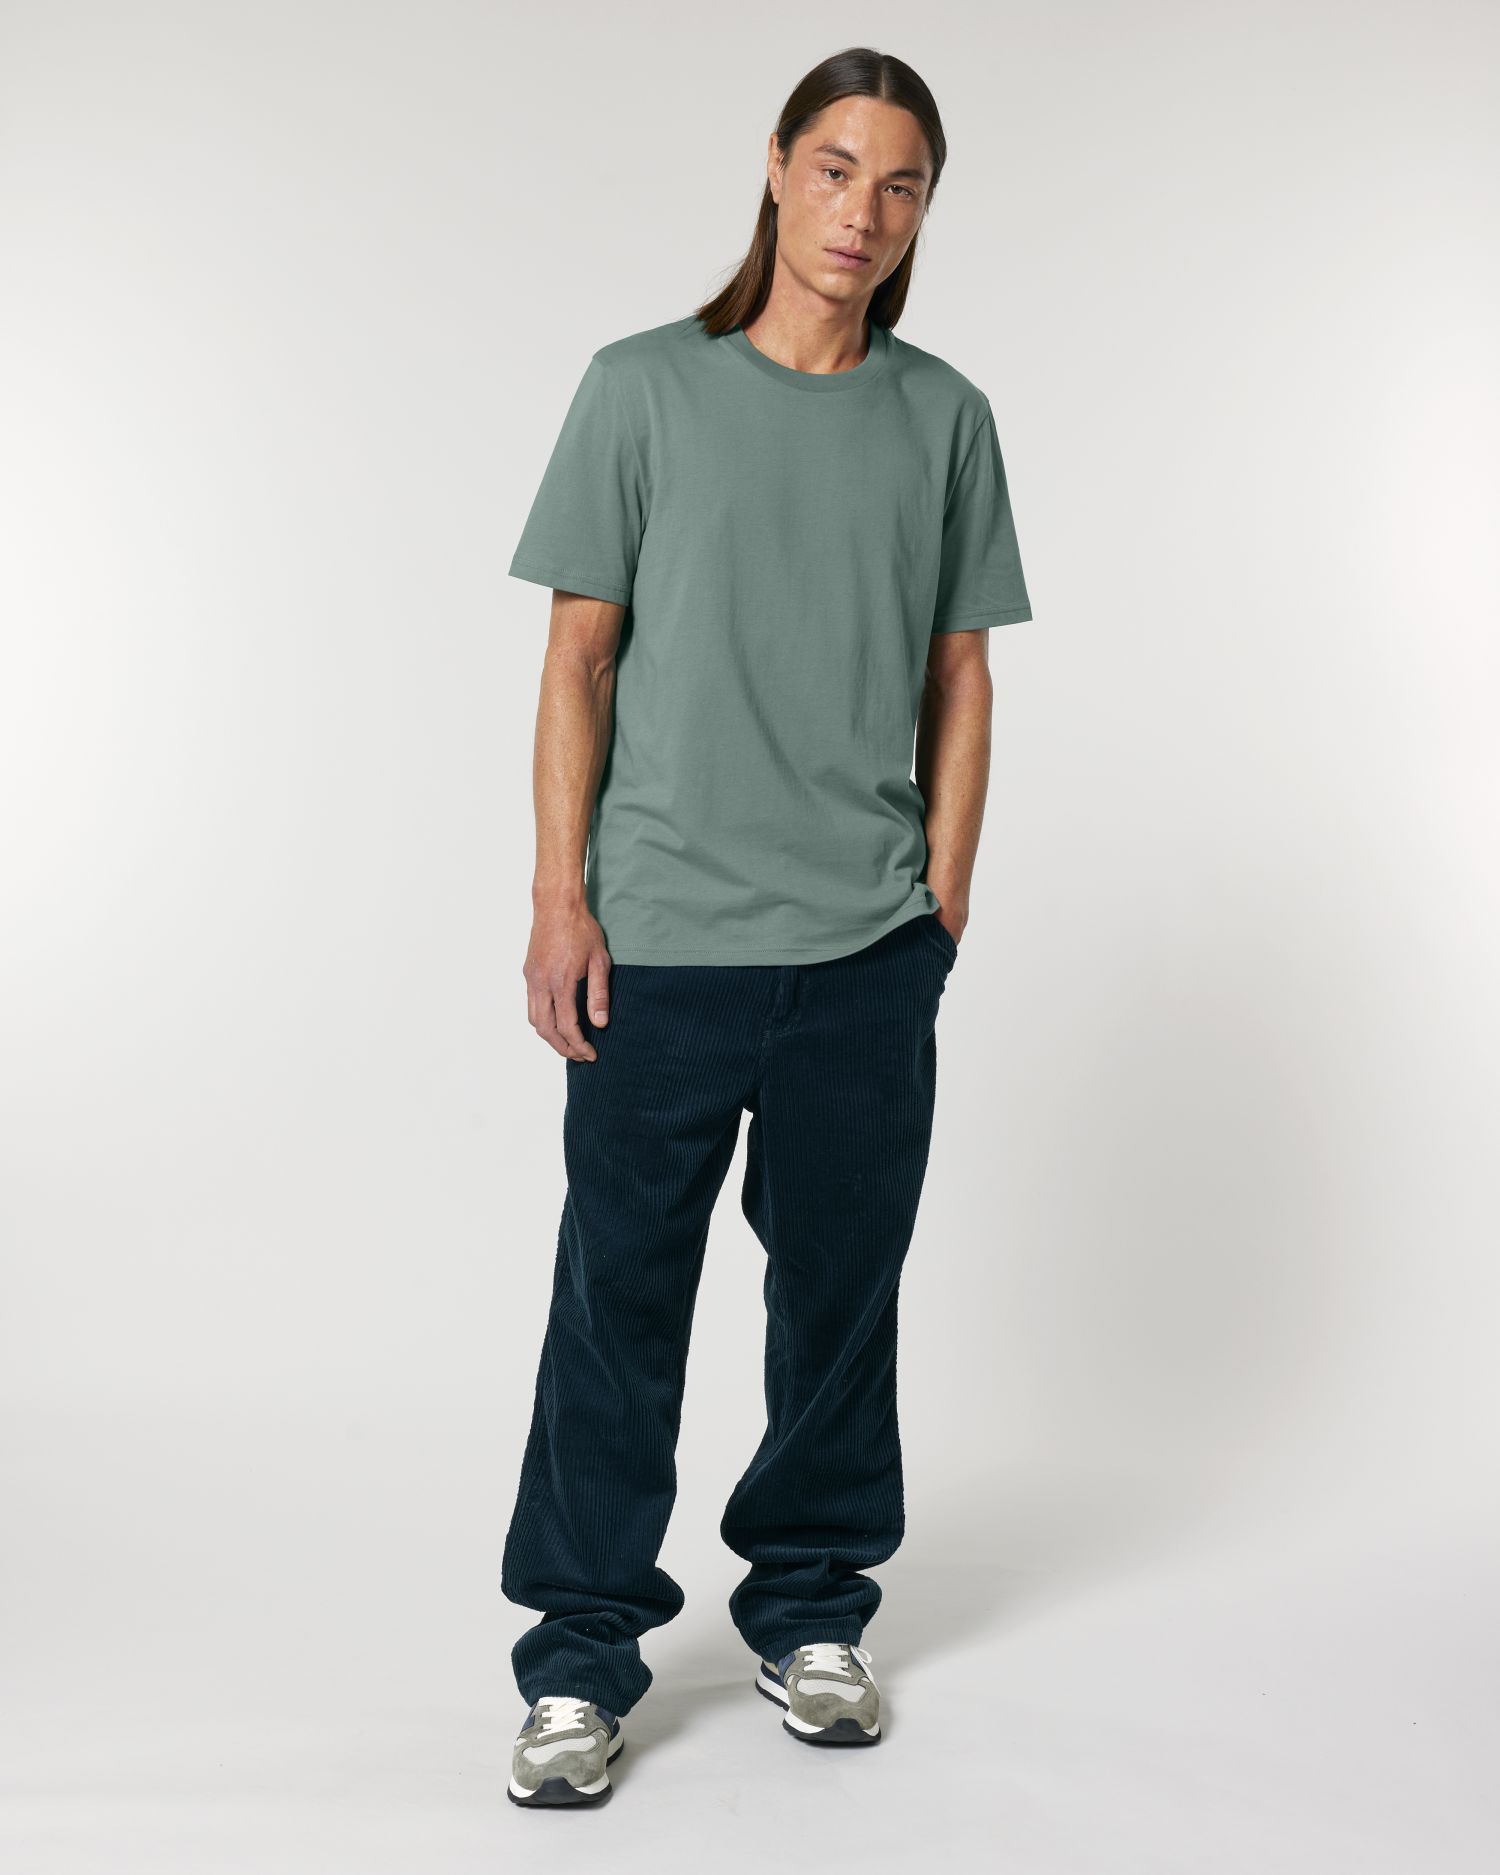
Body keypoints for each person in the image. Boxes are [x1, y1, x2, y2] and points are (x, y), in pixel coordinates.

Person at [502, 45, 1034, 1808]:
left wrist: (941, 896)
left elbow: (962, 676)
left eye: (900, 184)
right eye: (834, 167)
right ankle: (579, 1657)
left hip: (863, 956)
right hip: (657, 946)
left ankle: (812, 1610)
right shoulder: (641, 388)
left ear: (924, 212)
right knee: (618, 1306)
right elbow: (579, 660)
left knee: (838, 1307)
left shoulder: (944, 417)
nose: (861, 212)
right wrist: (561, 899)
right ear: (779, 171)